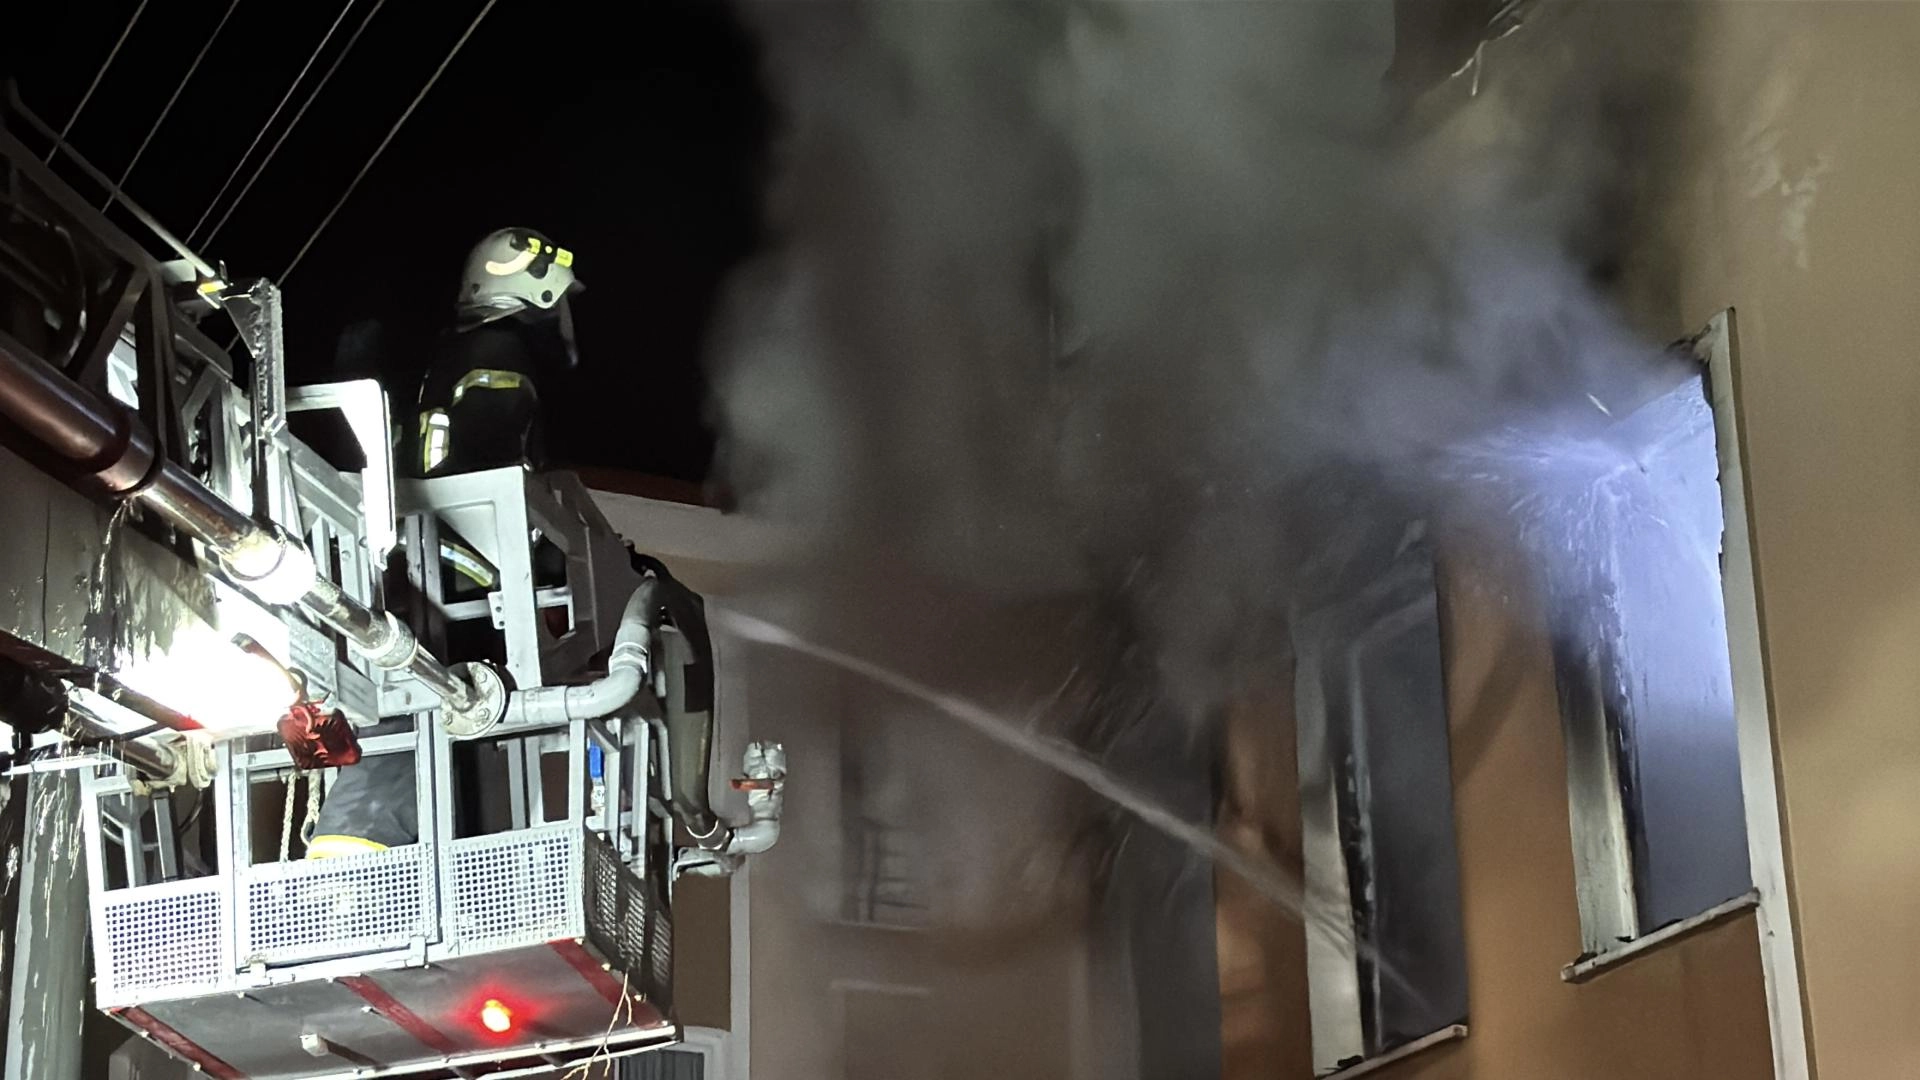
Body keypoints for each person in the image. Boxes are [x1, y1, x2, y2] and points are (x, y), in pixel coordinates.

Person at [412, 227, 584, 477]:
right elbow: (492, 476)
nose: (563, 314)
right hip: (466, 503)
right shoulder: (498, 355)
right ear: (539, 296)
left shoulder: (464, 350)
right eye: (559, 302)